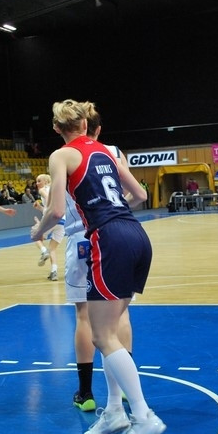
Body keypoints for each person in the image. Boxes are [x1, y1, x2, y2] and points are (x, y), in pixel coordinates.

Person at [31, 99, 164, 434]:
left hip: (107, 238)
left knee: (101, 333)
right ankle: (115, 412)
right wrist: (115, 213)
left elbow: (57, 210)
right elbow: (140, 195)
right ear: (88, 125)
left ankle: (143, 416)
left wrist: (37, 232)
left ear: (58, 129)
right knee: (115, 324)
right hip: (136, 234)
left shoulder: (61, 156)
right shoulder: (107, 151)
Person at [66, 101, 134, 412]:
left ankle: (85, 392)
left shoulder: (66, 155)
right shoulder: (114, 152)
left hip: (81, 237)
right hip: (115, 233)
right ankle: (119, 388)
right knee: (120, 314)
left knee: (83, 316)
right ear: (98, 129)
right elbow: (134, 193)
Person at [33, 173, 64, 281]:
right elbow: (50, 205)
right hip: (62, 220)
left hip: (51, 218)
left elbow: (48, 199)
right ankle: (54, 272)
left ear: (45, 181)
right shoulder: (56, 189)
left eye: (39, 180)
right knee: (53, 248)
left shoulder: (43, 190)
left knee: (35, 236)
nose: (37, 183)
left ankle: (43, 251)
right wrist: (40, 208)